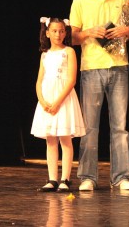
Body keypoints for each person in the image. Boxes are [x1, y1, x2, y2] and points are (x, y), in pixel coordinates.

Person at [69, 0, 129, 191]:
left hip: (119, 66)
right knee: (90, 127)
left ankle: (121, 177)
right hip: (92, 68)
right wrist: (90, 32)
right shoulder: (80, 0)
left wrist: (126, 30)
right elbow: (72, 37)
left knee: (120, 126)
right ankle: (88, 176)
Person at [31, 17, 86, 192]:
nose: (58, 34)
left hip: (63, 98)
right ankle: (52, 178)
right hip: (47, 100)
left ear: (65, 32)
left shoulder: (69, 51)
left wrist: (57, 102)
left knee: (65, 138)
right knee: (50, 139)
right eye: (54, 31)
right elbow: (39, 81)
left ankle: (65, 179)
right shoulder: (44, 55)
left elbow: (71, 80)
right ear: (47, 33)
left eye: (61, 31)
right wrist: (43, 101)